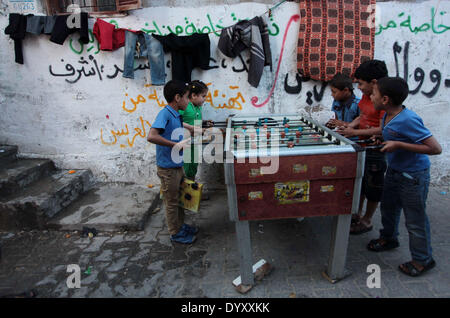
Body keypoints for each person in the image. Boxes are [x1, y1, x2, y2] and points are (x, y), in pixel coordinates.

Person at [367, 77, 441, 277]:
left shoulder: (408, 119)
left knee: (414, 220)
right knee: (388, 208)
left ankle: (423, 259)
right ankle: (389, 238)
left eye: (373, 94)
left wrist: (398, 145)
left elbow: (435, 148)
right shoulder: (387, 115)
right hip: (394, 171)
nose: (370, 97)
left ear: (385, 99)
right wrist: (382, 138)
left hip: (413, 177)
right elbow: (391, 133)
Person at [336, 60, 388, 235]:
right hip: (361, 144)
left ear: (374, 82)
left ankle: (367, 220)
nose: (358, 87)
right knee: (360, 181)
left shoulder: (385, 99)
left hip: (375, 148)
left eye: (360, 83)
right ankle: (356, 214)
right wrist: (350, 126)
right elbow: (363, 115)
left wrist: (354, 131)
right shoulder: (368, 95)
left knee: (373, 186)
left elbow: (384, 128)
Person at [147, 79, 198, 244]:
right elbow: (152, 136)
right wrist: (175, 144)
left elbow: (179, 123)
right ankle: (175, 232)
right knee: (171, 201)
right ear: (177, 98)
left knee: (181, 198)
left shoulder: (174, 114)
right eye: (186, 97)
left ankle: (181, 225)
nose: (188, 101)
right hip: (168, 169)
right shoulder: (164, 113)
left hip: (177, 165)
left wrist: (193, 128)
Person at [178, 80, 213, 194]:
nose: (205, 99)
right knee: (188, 169)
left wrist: (204, 123)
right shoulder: (185, 107)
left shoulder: (197, 107)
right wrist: (194, 129)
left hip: (195, 142)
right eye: (203, 96)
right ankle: (188, 195)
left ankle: (191, 194)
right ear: (193, 95)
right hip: (186, 143)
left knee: (193, 167)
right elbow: (178, 121)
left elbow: (195, 121)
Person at [325, 73, 360, 137]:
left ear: (346, 90)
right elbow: (336, 118)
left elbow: (362, 126)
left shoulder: (358, 104)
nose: (332, 95)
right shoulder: (336, 101)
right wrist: (332, 124)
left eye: (334, 92)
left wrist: (343, 124)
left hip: (354, 140)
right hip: (340, 137)